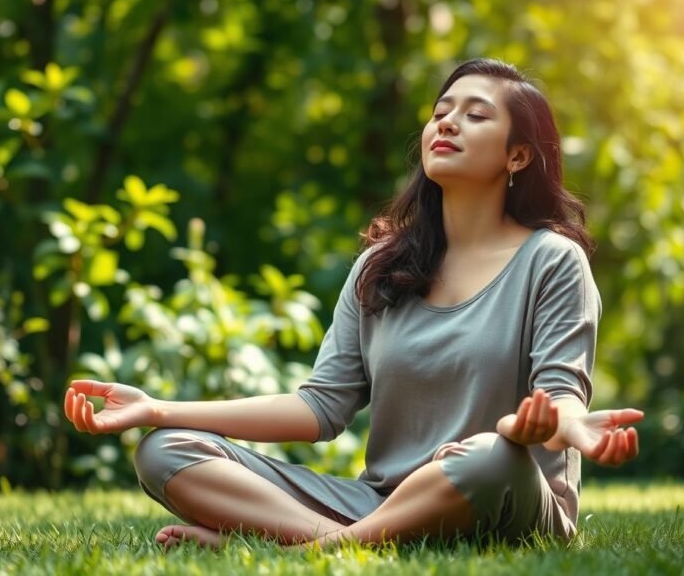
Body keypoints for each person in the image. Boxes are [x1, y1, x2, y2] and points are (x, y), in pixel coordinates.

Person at [64, 57, 644, 551]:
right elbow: (319, 408)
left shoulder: (552, 260)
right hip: (378, 500)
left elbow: (562, 398)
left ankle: (307, 552)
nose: (448, 123)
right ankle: (353, 543)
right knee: (165, 452)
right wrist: (159, 410)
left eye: (476, 114)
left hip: (499, 496)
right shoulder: (383, 266)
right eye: (442, 111)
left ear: (518, 157)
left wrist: (573, 430)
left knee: (491, 455)